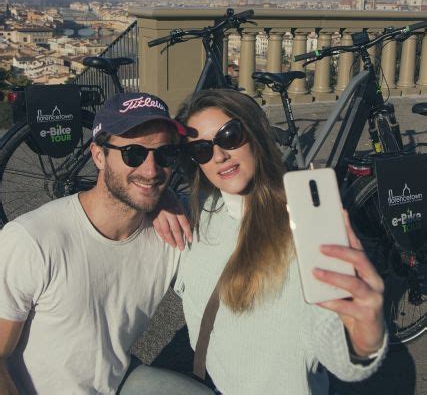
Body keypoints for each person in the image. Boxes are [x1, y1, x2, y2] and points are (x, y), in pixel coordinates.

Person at [126, 88, 388, 395]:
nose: (220, 155)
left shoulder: (301, 230)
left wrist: (363, 340)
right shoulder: (197, 214)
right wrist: (161, 200)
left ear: (255, 133)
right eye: (201, 149)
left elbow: (333, 344)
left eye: (229, 135)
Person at [0, 91, 195, 395]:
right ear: (98, 155)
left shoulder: (170, 228)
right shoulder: (32, 240)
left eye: (165, 155)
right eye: (133, 153)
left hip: (113, 382)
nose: (151, 170)